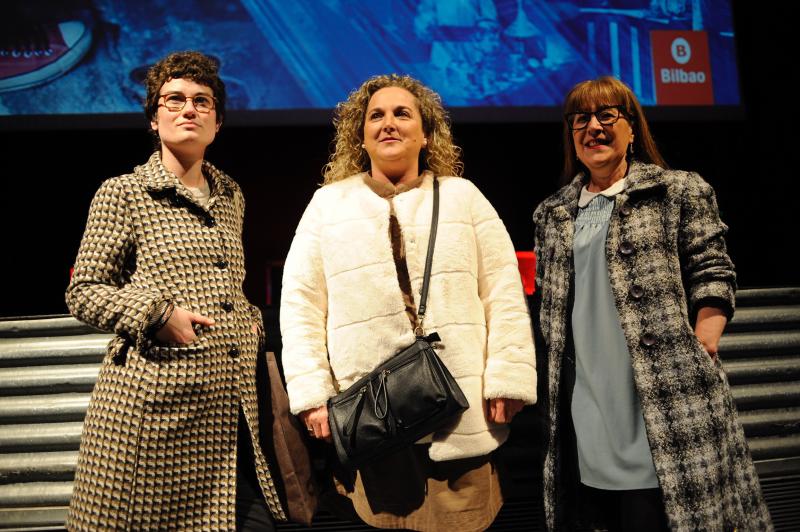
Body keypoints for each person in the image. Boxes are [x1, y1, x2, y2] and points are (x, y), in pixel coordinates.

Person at [65, 51, 313, 531]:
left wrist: (249, 323)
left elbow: (227, 286)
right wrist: (157, 315)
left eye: (202, 101)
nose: (188, 109)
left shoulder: (230, 194)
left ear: (217, 123)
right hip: (154, 413)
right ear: (154, 121)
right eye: (174, 100)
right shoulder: (124, 192)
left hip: (231, 408)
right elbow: (85, 291)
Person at [280, 73, 537, 531]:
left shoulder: (464, 198)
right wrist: (313, 396)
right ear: (359, 135)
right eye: (375, 115)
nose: (389, 124)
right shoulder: (328, 205)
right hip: (374, 417)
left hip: (459, 411)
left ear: (426, 132)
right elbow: (300, 305)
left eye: (403, 113)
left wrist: (509, 377)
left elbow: (502, 291)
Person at [533, 76, 773, 531]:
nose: (593, 127)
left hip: (665, 397)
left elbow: (713, 269)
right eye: (580, 118)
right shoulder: (552, 213)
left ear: (631, 127)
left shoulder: (677, 190)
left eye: (608, 115)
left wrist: (703, 340)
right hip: (587, 400)